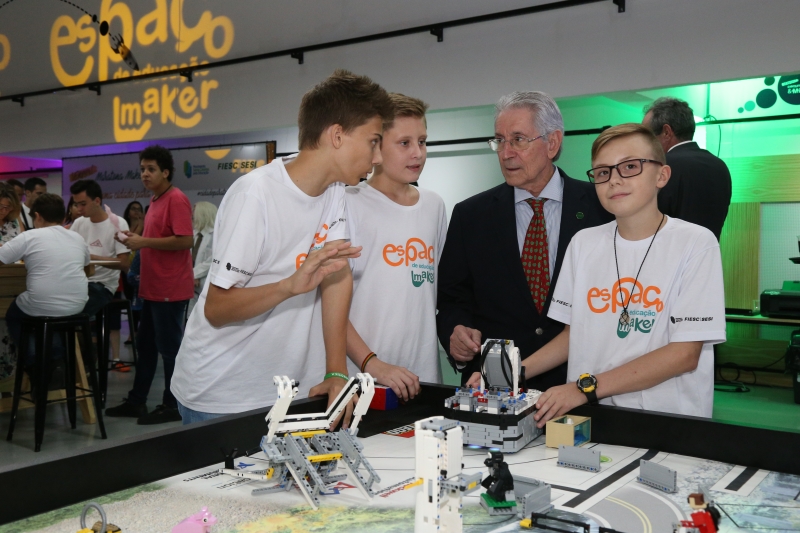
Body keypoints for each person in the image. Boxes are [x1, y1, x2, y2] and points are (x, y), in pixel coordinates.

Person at [170, 69, 392, 424]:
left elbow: (337, 276)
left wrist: (336, 371)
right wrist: (290, 285)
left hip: (286, 392)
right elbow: (217, 308)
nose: (378, 156)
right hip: (223, 395)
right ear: (337, 135)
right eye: (373, 141)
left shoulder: (335, 191)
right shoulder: (255, 195)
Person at [513, 123, 725, 425]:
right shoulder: (583, 244)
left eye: (629, 167)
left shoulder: (695, 243)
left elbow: (684, 354)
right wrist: (514, 372)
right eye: (602, 172)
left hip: (668, 420)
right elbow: (573, 335)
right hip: (589, 417)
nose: (614, 180)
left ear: (661, 175)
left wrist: (584, 388)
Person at [437, 91, 612, 391]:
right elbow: (452, 299)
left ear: (552, 143)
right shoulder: (471, 215)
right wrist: (455, 331)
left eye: (518, 139)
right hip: (494, 386)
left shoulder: (601, 208)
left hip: (581, 385)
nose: (505, 153)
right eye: (499, 141)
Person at [345, 93, 447, 400]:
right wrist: (372, 363)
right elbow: (328, 305)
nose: (418, 153)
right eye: (404, 143)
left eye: (423, 141)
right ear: (376, 146)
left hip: (424, 377)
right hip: (365, 381)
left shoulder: (434, 206)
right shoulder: (350, 203)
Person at [105, 145, 195, 425]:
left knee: (169, 350)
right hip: (153, 287)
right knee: (146, 347)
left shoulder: (175, 199)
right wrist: (133, 238)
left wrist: (142, 241)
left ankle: (172, 404)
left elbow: (185, 240)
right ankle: (137, 401)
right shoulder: (155, 200)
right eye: (142, 169)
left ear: (165, 172)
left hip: (170, 288)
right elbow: (157, 242)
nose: (145, 173)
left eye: (151, 169)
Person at [3, 193, 89, 373]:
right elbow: (86, 263)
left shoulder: (30, 236)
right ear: (63, 217)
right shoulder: (77, 238)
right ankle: (56, 359)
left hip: (42, 303)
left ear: (38, 216)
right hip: (77, 305)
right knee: (53, 314)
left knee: (13, 314)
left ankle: (35, 363)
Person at [643, 97, 732, 241]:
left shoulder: (663, 167)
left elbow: (648, 221)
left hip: (667, 258)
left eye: (648, 136)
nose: (646, 144)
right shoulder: (720, 166)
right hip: (707, 257)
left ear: (666, 132)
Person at [70, 179, 131, 370]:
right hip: (79, 282)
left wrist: (92, 257)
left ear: (97, 201)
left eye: (83, 204)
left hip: (103, 286)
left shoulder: (117, 223)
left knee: (73, 312)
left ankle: (84, 364)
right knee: (56, 307)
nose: (79, 209)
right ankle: (72, 363)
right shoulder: (79, 223)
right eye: (76, 204)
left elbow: (124, 264)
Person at [0, 184, 25, 380]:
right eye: (0, 206)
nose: (3, 211)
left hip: (13, 283)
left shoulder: (14, 223)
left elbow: (24, 247)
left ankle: (10, 381)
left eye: (7, 207)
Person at [187, 201, 216, 317]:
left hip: (204, 283)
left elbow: (211, 261)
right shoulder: (193, 234)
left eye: (194, 212)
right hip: (190, 284)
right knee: (189, 318)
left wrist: (194, 275)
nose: (192, 215)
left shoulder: (215, 235)